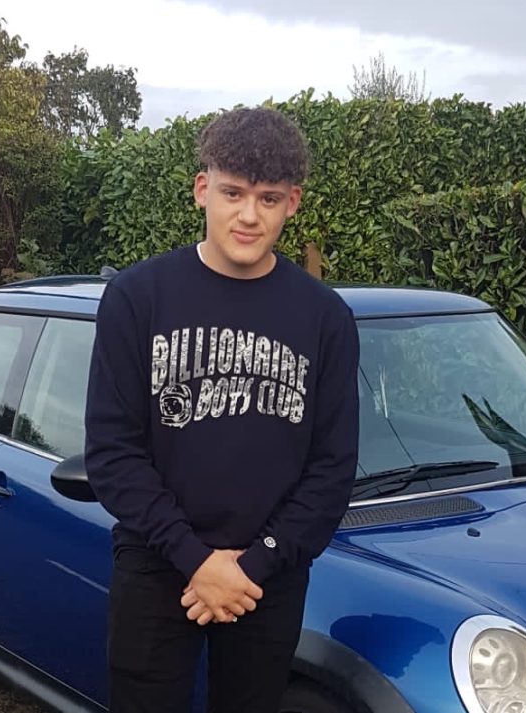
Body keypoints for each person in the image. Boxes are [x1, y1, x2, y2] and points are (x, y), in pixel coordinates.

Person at [85, 106, 359, 713]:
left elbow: (332, 467)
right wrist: (195, 558)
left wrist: (255, 563)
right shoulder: (137, 298)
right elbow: (112, 452)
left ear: (292, 203)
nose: (248, 215)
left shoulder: (325, 319)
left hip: (270, 576)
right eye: (233, 193)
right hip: (156, 565)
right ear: (202, 189)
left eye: (268, 198)